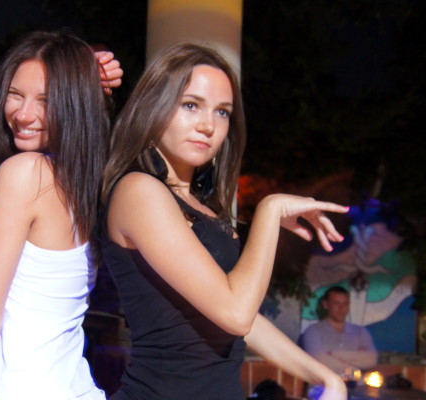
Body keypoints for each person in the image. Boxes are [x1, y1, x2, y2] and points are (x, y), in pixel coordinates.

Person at [97, 42, 349, 400]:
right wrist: (270, 210)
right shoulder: (139, 191)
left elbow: (238, 319)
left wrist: (326, 377)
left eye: (222, 112)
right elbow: (235, 313)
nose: (207, 125)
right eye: (190, 105)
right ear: (154, 106)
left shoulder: (201, 205)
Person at [0, 31, 123, 400]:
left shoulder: (25, 174)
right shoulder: (87, 184)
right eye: (15, 95)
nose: (23, 114)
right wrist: (78, 69)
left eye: (46, 100)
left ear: (74, 105)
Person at [302, 286, 378, 376]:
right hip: (324, 384)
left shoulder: (361, 332)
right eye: (336, 303)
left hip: (356, 384)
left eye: (345, 303)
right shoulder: (313, 331)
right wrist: (355, 362)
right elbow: (320, 361)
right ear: (325, 304)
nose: (341, 308)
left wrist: (334, 354)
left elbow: (371, 360)